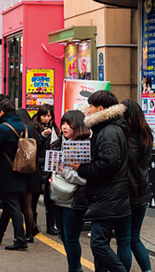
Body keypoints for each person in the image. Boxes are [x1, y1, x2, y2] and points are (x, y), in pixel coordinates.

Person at [71, 90, 130, 272]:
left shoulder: (108, 131)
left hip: (108, 196)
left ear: (101, 109)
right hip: (109, 195)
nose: (88, 110)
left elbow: (110, 163)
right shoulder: (108, 129)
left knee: (98, 243)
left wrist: (82, 168)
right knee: (101, 244)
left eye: (90, 106)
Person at [50, 110, 91, 272]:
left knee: (72, 238)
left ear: (78, 125)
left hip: (74, 201)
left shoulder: (86, 146)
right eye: (63, 123)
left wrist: (65, 173)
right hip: (56, 196)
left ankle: (74, 269)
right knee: (62, 236)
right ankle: (76, 267)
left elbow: (87, 178)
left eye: (68, 123)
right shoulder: (59, 142)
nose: (64, 127)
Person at [118, 99, 153, 272]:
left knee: (123, 239)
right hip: (142, 193)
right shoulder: (145, 135)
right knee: (134, 238)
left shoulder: (123, 138)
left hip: (126, 195)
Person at [0, 100, 29, 250]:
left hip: (7, 171)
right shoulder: (25, 126)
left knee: (12, 205)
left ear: (2, 112)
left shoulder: (3, 128)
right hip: (23, 169)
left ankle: (20, 239)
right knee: (9, 203)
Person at [15, 109, 43, 242]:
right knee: (30, 205)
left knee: (25, 205)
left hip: (25, 171)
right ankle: (32, 229)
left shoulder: (21, 132)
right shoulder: (34, 130)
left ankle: (30, 233)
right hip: (35, 171)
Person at [33, 104, 61, 235]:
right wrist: (43, 137)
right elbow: (35, 147)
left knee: (50, 197)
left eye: (49, 116)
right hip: (37, 166)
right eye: (44, 115)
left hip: (51, 165)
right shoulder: (35, 127)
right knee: (34, 196)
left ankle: (51, 226)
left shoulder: (55, 128)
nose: (46, 118)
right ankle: (32, 224)